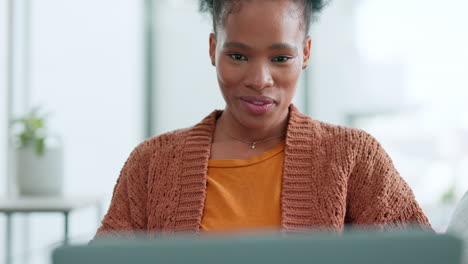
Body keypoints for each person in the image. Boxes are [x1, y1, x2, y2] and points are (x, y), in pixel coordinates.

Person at [93, 0, 432, 239]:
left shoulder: (354, 157)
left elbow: (423, 254)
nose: (260, 79)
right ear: (213, 49)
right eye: (238, 55)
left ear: (306, 53)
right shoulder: (151, 164)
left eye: (281, 57)